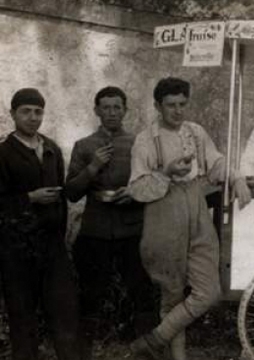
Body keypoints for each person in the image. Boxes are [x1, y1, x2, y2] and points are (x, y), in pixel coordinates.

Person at [128, 77, 251, 360]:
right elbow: (136, 188)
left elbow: (216, 162)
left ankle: (153, 341)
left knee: (209, 291)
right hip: (163, 213)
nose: (178, 110)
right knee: (171, 295)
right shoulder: (146, 140)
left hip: (196, 210)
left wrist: (236, 177)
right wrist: (166, 173)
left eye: (183, 104)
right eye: (171, 105)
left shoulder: (196, 132)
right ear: (157, 106)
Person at [65, 86, 155, 357]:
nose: (112, 112)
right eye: (106, 107)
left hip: (132, 231)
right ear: (96, 111)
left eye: (117, 107)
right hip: (96, 231)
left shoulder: (139, 142)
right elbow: (71, 193)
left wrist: (133, 196)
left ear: (125, 110)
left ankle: (148, 351)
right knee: (90, 295)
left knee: (143, 293)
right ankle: (81, 353)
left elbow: (151, 185)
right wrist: (93, 166)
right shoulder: (84, 145)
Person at [0, 88, 81, 360]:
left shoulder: (52, 149)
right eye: (26, 111)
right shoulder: (3, 152)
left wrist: (59, 238)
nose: (33, 117)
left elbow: (60, 199)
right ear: (13, 114)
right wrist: (28, 198)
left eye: (38, 111)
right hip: (16, 249)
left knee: (64, 313)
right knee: (23, 319)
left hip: (52, 246)